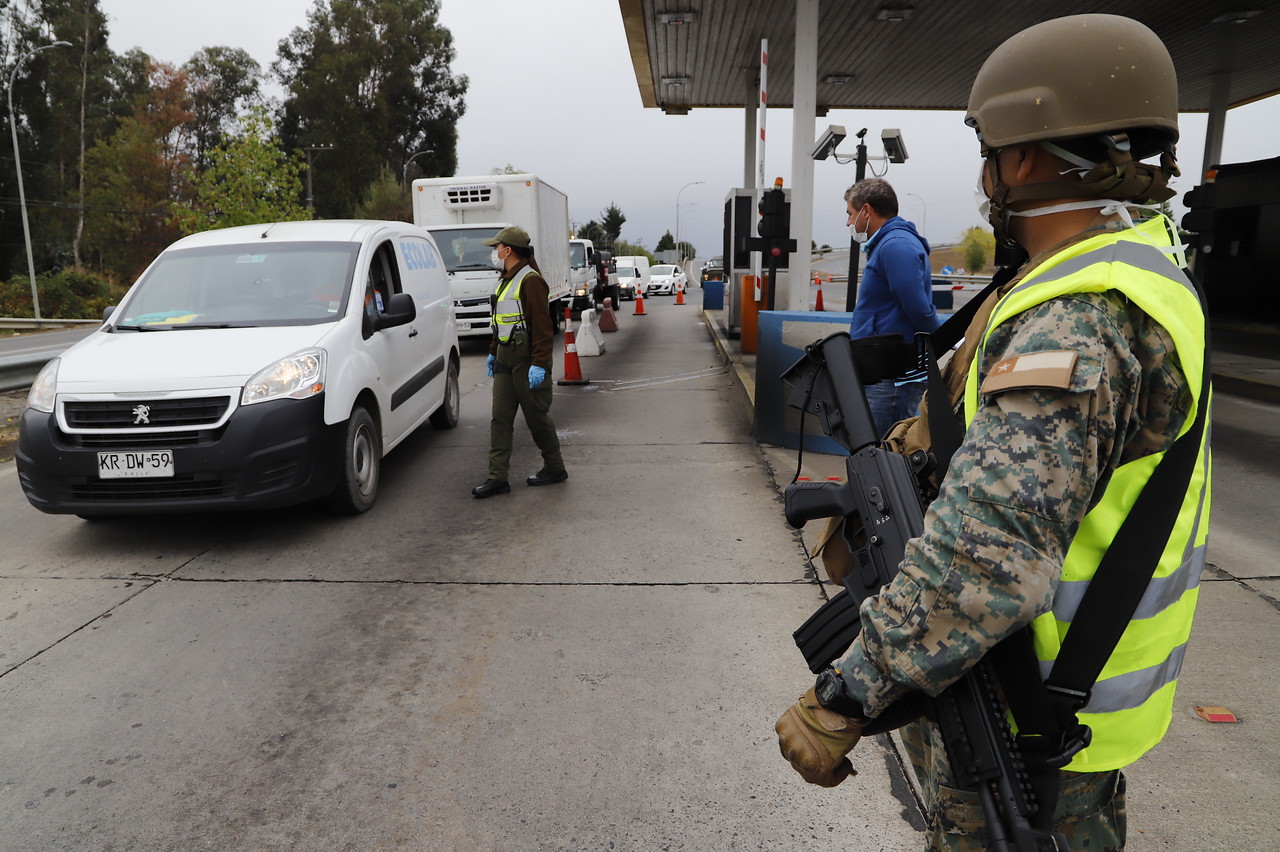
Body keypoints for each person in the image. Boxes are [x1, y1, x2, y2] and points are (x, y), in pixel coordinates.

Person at [776, 14, 1211, 851]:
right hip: (1045, 705)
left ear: (1022, 157)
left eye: (991, 148)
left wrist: (842, 696)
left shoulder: (1077, 319)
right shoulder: (1132, 266)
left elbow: (986, 559)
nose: (987, 173)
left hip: (1028, 716)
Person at [471, 226, 568, 498]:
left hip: (527, 361)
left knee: (536, 418)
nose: (494, 253)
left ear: (508, 250)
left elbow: (542, 328)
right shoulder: (504, 279)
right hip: (505, 357)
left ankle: (555, 467)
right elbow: (499, 321)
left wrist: (539, 363)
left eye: (496, 248)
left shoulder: (530, 280)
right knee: (499, 420)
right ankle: (497, 477)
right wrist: (492, 350)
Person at [845, 177, 941, 435]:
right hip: (881, 369)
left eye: (850, 213)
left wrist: (942, 339)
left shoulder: (896, 246)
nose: (847, 222)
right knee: (874, 451)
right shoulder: (887, 245)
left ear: (866, 210)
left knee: (883, 450)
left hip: (891, 376)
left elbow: (918, 308)